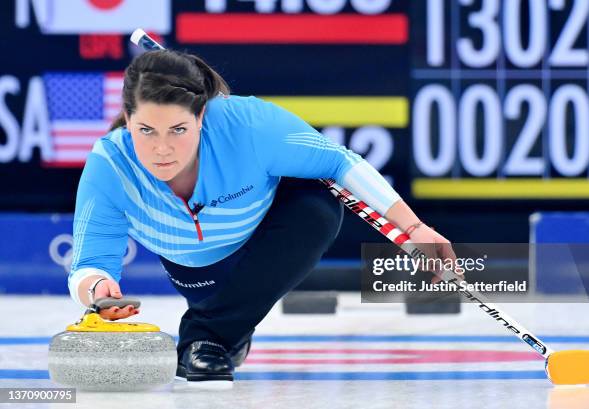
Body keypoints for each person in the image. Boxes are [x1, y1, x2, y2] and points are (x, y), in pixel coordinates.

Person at [68, 49, 455, 388]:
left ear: (202, 116)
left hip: (267, 237)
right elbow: (89, 265)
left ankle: (207, 337)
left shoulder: (247, 125)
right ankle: (225, 327)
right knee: (219, 310)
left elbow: (340, 162)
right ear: (127, 118)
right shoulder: (110, 166)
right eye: (146, 130)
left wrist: (414, 228)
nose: (162, 149)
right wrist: (99, 292)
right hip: (200, 272)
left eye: (179, 129)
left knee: (318, 205)